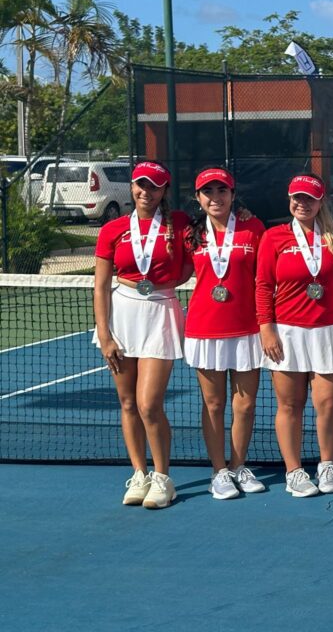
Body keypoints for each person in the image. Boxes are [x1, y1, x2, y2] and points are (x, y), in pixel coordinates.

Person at [93, 161, 191, 509]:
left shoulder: (179, 224)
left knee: (150, 404)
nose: (145, 192)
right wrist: (105, 335)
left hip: (161, 312)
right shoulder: (112, 229)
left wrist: (164, 287)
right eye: (140, 185)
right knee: (128, 403)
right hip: (122, 314)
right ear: (132, 187)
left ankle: (163, 478)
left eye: (154, 186)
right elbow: (101, 285)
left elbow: (193, 261)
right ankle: (139, 473)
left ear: (164, 191)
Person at [256, 174, 333, 498]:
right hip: (287, 332)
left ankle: (327, 465)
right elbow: (264, 286)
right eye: (296, 197)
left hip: (329, 330)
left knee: (329, 404)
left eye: (309, 198)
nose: (302, 203)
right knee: (290, 405)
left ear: (321, 201)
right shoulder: (273, 237)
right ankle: (294, 471)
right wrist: (266, 328)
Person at [183, 167, 267, 500]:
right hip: (205, 328)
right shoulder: (189, 232)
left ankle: (238, 465)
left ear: (233, 195)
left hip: (247, 328)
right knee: (214, 403)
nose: (215, 198)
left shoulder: (253, 228)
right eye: (208, 192)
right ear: (198, 197)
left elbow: (264, 279)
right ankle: (219, 472)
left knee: (245, 406)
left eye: (222, 191)